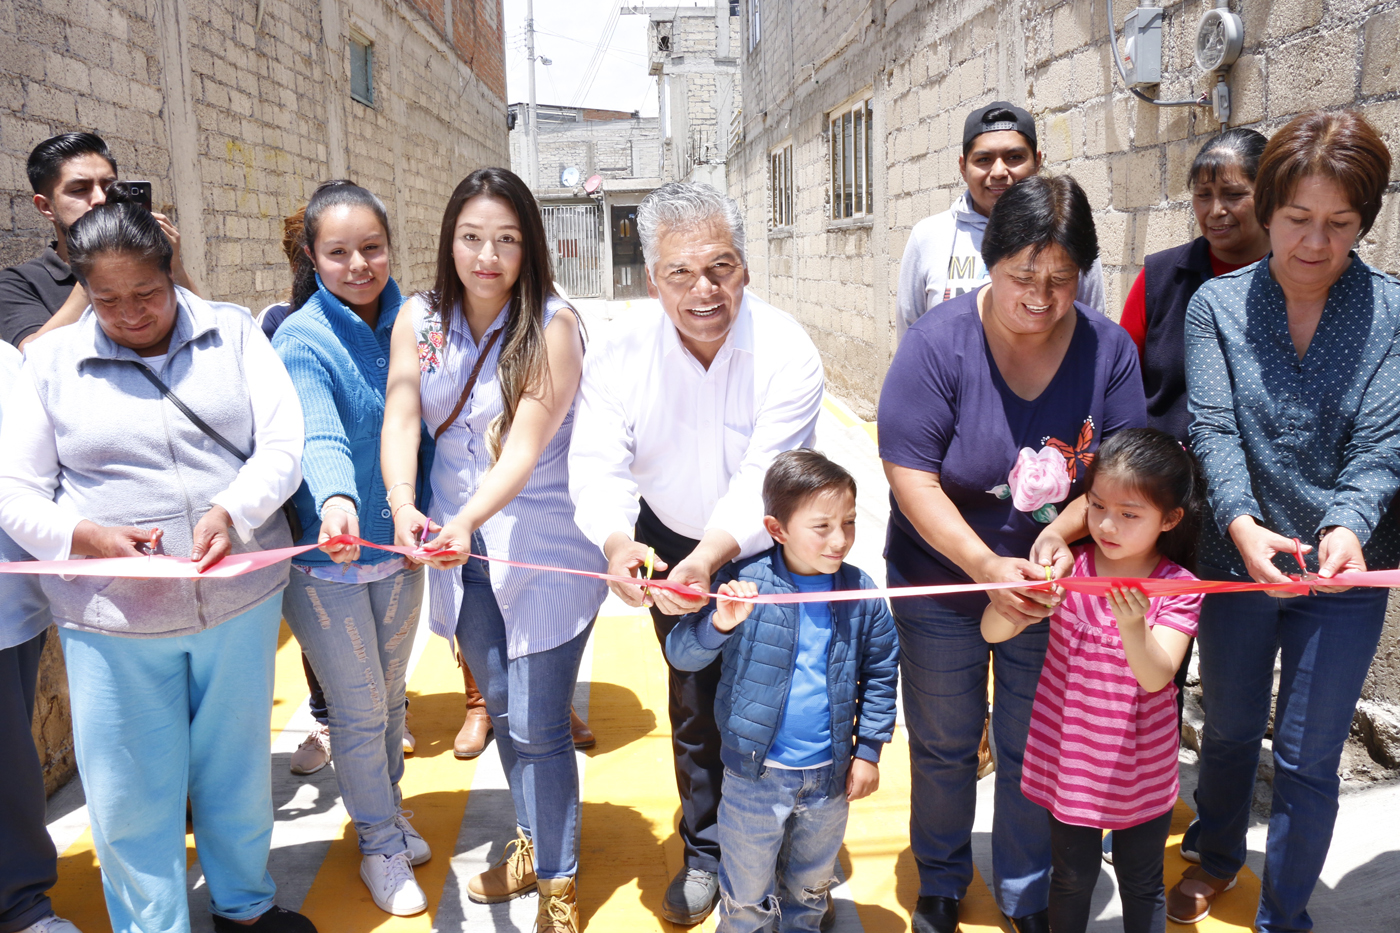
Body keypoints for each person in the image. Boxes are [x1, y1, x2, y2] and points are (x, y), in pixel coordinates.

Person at [0, 199, 312, 933]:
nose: (130, 314)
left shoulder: (233, 333)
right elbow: (13, 491)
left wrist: (231, 510)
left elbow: (283, 445)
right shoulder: (46, 365)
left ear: (171, 272)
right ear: (83, 290)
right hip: (112, 620)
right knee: (128, 791)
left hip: (236, 602)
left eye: (146, 293)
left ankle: (245, 905)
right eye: (107, 300)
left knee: (236, 769)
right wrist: (84, 535)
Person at [878, 173, 1146, 933]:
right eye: (1024, 276)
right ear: (989, 260)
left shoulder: (1107, 350)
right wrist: (983, 566)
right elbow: (910, 474)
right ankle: (941, 877)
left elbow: (1123, 472)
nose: (1041, 296)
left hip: (1048, 584)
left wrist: (1062, 535)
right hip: (941, 577)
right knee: (944, 739)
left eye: (1062, 279)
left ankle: (1026, 888)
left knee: (1035, 740)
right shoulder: (938, 344)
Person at [569, 181, 825, 926]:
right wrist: (618, 542)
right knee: (695, 700)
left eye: (720, 267)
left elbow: (766, 475)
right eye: (679, 273)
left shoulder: (787, 350)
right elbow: (596, 463)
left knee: (782, 699)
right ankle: (707, 850)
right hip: (669, 536)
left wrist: (711, 558)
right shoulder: (619, 353)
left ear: (746, 267)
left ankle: (788, 849)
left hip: (770, 541)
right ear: (652, 280)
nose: (703, 290)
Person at [1169, 110, 1400, 932]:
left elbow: (1381, 443)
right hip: (1237, 562)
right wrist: (1239, 522)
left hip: (1345, 574)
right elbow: (1214, 429)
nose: (1315, 241)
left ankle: (1284, 910)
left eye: (1340, 222)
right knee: (1230, 726)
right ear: (1267, 211)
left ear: (1365, 221)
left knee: (1308, 755)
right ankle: (1216, 853)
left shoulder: (1392, 312)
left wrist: (1347, 525)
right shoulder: (1217, 307)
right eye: (1299, 217)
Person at [381, 166, 604, 933]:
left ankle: (558, 887)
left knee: (540, 722)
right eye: (472, 237)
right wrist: (404, 504)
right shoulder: (420, 319)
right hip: (461, 552)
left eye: (506, 239)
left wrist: (467, 517)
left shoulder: (553, 325)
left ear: (529, 246)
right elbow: (403, 412)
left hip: (543, 547)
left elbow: (525, 447)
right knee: (505, 709)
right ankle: (536, 840)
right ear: (450, 240)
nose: (487, 255)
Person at [272, 180, 433, 915]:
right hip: (327, 558)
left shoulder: (416, 321)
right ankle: (378, 844)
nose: (358, 265)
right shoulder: (301, 338)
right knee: (359, 708)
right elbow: (319, 431)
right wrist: (336, 499)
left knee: (390, 699)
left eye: (372, 247)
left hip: (401, 547)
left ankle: (387, 808)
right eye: (338, 252)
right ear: (312, 256)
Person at [665, 450, 899, 933]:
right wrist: (719, 623)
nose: (840, 539)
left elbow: (881, 672)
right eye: (822, 527)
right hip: (754, 776)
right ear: (777, 529)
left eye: (849, 522)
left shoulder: (860, 592)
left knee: (809, 887)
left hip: (829, 778)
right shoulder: (743, 585)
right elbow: (682, 655)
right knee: (746, 891)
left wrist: (869, 751)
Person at [983, 429, 1203, 933]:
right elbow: (991, 632)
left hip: (1140, 765)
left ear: (1170, 519)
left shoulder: (1177, 587)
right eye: (1098, 506)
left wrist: (1133, 626)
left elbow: (1156, 677)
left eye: (1130, 514)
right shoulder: (1069, 570)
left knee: (1141, 880)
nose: (1107, 524)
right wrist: (1018, 601)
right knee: (1071, 878)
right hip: (1070, 762)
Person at [895, 102, 1106, 341]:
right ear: (963, 167)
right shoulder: (928, 237)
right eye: (983, 159)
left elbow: (1093, 328)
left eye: (1014, 157)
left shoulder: (1067, 233)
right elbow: (911, 334)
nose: (998, 172)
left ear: (1037, 162)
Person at [0, 340, 81, 933]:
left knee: (6, 763)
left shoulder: (5, 366)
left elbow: (27, 481)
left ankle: (20, 902)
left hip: (4, 608)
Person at [1120, 128, 1271, 441]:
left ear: (1269, 194)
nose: (1216, 211)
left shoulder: (1294, 279)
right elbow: (1120, 384)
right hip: (1166, 465)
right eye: (1203, 195)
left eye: (1234, 195)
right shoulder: (1160, 277)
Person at [0, 133, 196, 351]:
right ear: (46, 207)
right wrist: (94, 273)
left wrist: (172, 262)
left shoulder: (151, 263)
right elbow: (34, 354)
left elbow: (203, 327)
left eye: (108, 187)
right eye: (79, 190)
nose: (100, 199)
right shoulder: (18, 282)